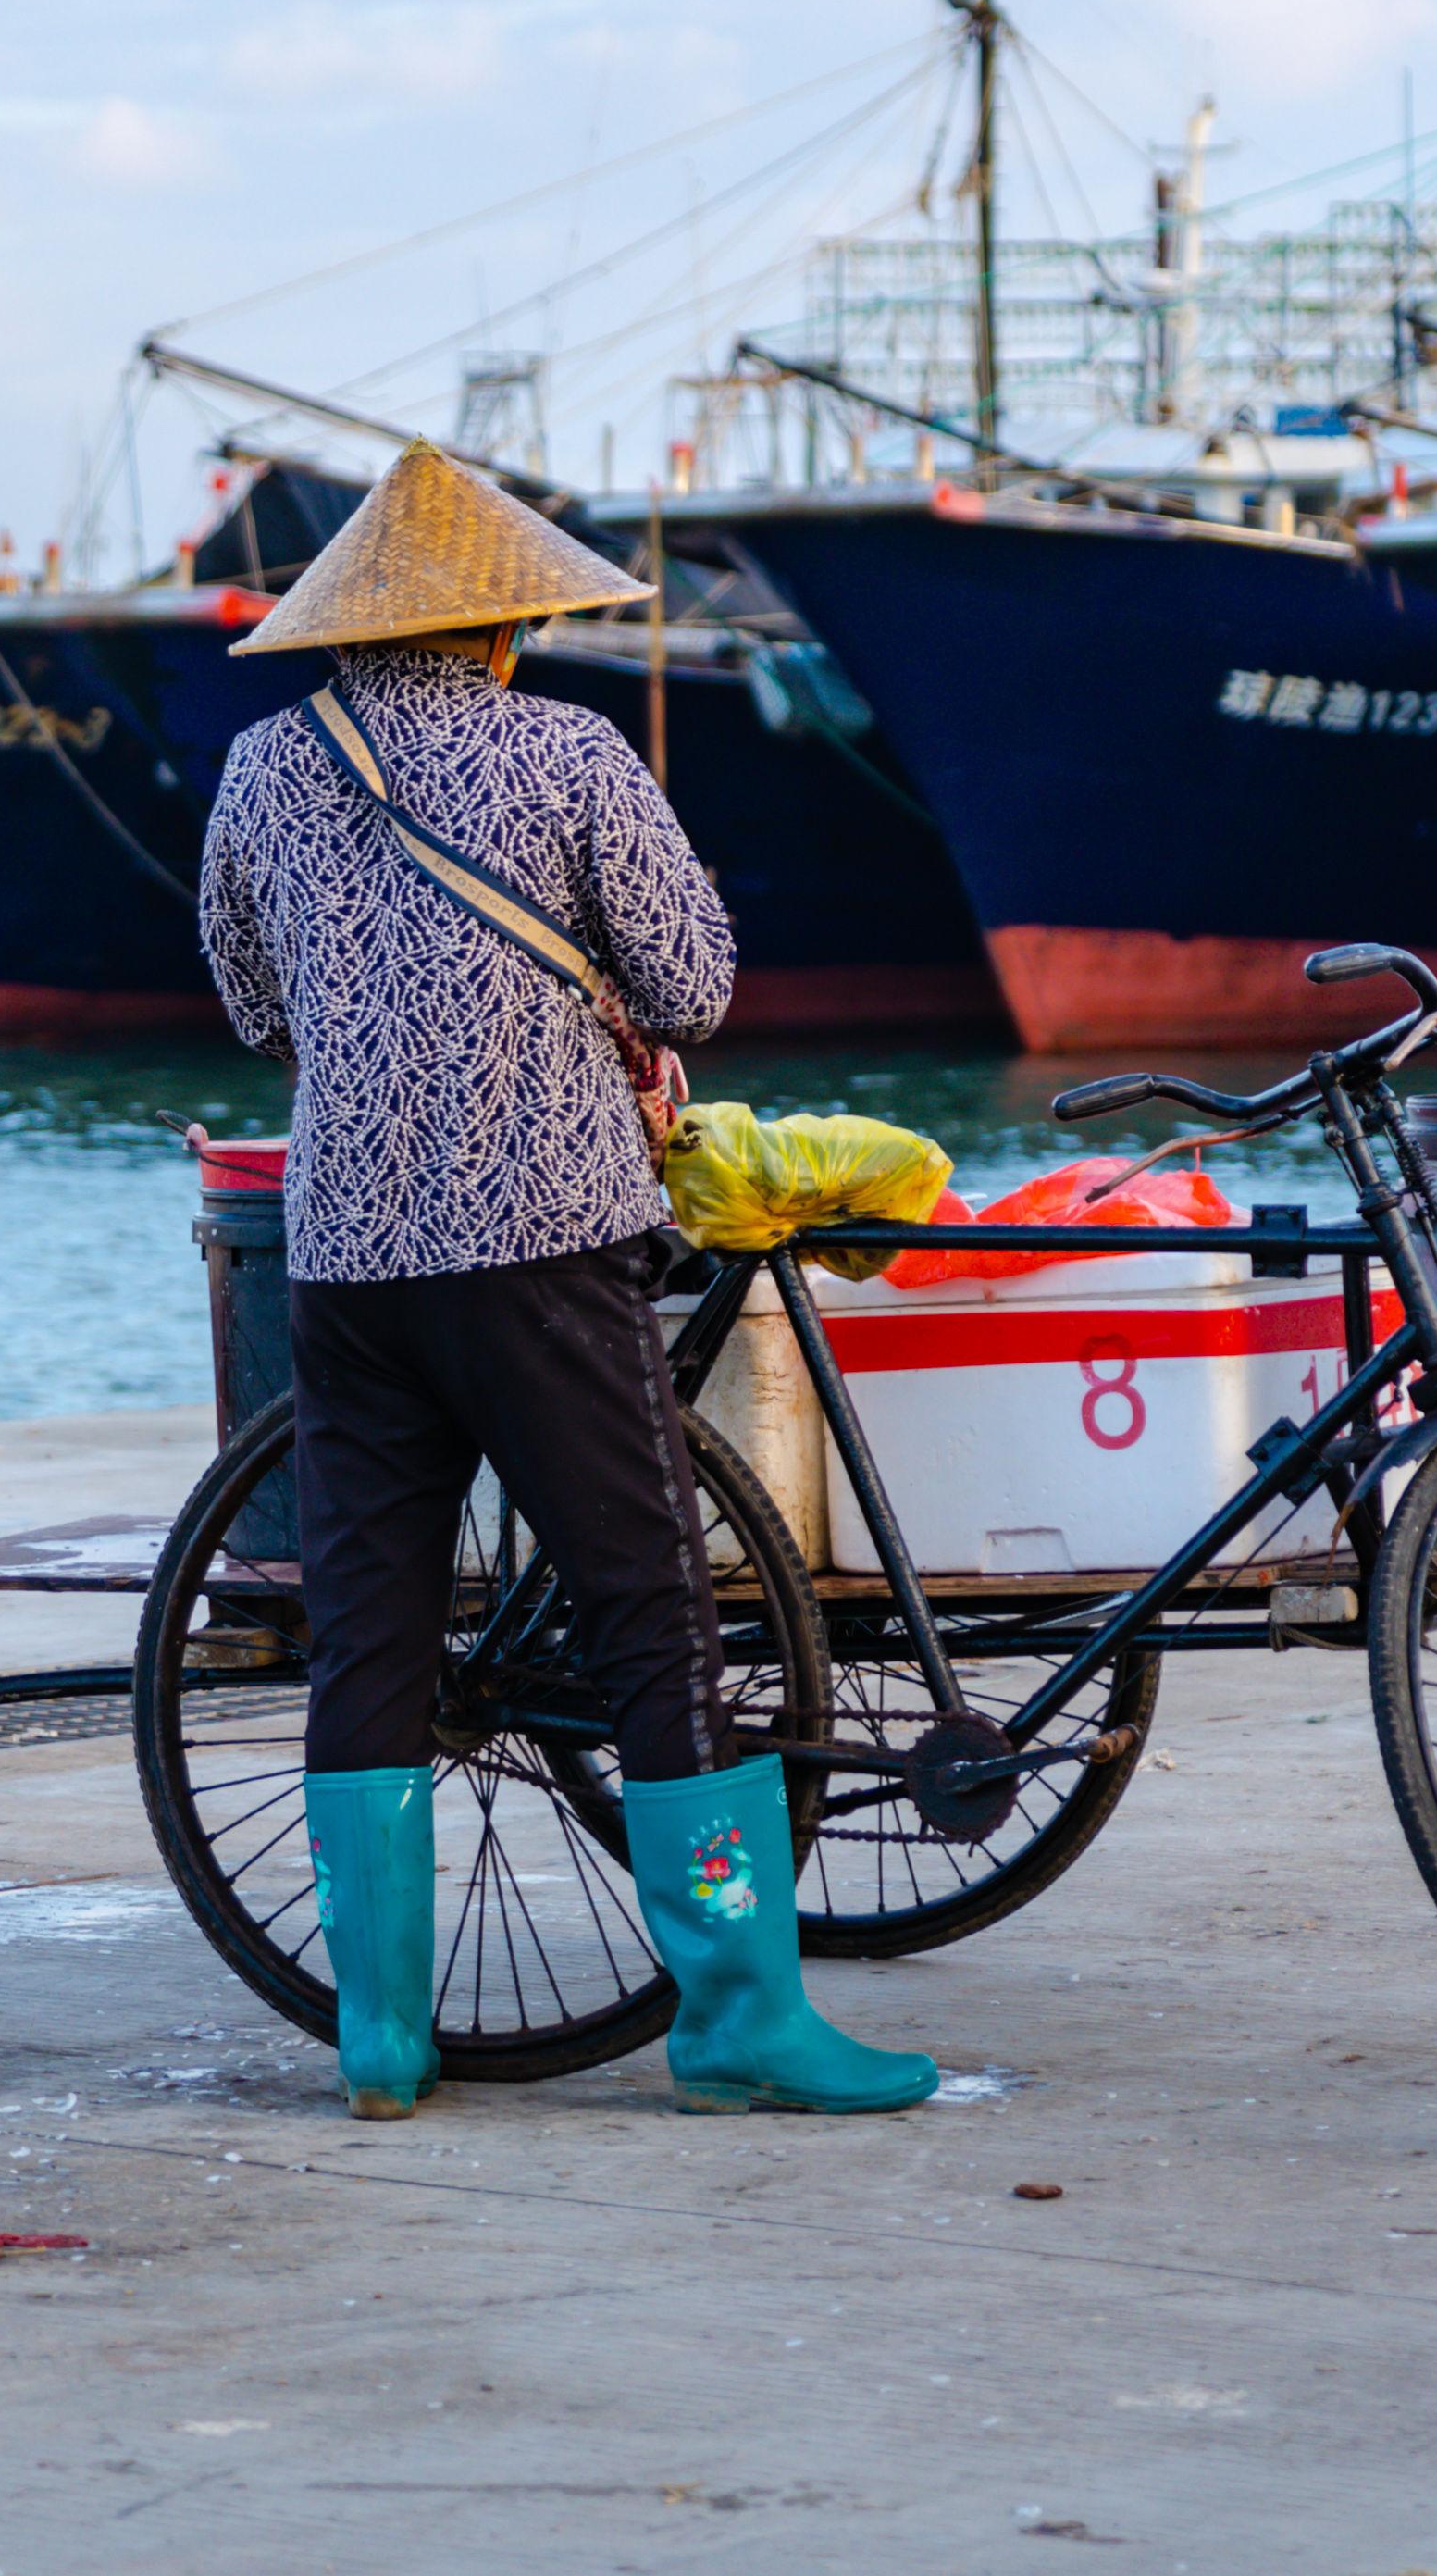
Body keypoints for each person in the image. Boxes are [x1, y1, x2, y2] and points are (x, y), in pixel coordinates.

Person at [195, 440, 937, 2122]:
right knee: (649, 1604)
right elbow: (691, 981)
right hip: (540, 1238)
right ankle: (738, 2012)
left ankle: (381, 2033)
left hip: (345, 1258)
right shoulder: (568, 748)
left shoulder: (262, 765)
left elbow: (250, 1003)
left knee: (368, 1627)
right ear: (506, 622)